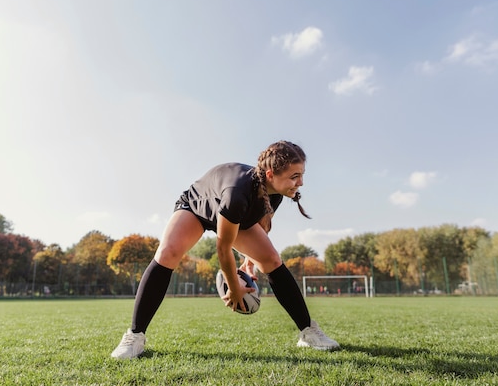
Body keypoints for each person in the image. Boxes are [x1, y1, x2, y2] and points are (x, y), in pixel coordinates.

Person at [111, 141, 339, 359]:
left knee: (270, 259)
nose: (300, 183)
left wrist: (249, 262)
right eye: (294, 176)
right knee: (167, 253)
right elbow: (223, 248)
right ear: (271, 174)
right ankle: (135, 336)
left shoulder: (276, 192)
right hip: (198, 206)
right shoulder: (237, 194)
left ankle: (308, 332)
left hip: (231, 214)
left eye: (301, 175)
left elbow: (261, 225)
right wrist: (234, 287)